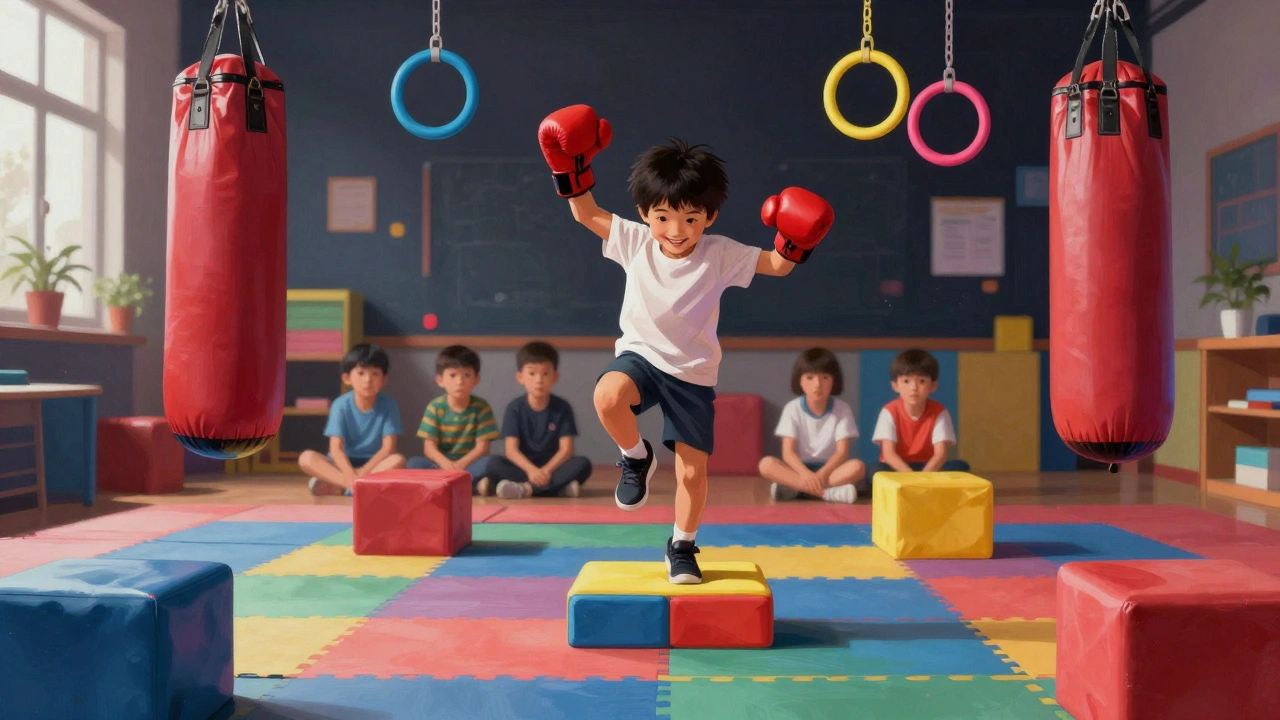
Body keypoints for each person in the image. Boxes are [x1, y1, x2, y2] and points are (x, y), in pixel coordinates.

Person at [538, 104, 835, 583]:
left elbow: (777, 266)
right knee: (607, 396)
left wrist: (798, 236)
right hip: (640, 356)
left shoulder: (721, 254)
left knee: (693, 474)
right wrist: (564, 165)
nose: (676, 232)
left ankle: (682, 545)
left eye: (691, 219)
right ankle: (636, 456)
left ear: (710, 216)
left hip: (692, 374)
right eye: (662, 217)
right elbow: (584, 211)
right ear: (644, 213)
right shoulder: (634, 240)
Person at [489, 341, 593, 499]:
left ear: (555, 377)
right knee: (493, 464)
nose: (539, 380)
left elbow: (566, 450)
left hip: (553, 467)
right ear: (520, 377)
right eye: (532, 373)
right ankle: (558, 488)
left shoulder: (562, 407)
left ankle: (525, 489)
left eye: (545, 373)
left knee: (582, 464)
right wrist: (532, 471)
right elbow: (511, 450)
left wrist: (546, 471)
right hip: (524, 468)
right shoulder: (514, 408)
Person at [758, 348, 864, 503]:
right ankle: (827, 494)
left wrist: (822, 474)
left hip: (829, 471)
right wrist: (805, 474)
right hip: (799, 470)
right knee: (766, 464)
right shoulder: (792, 408)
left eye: (825, 377)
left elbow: (842, 452)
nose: (817, 384)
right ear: (800, 381)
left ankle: (795, 489)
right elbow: (788, 452)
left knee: (858, 467)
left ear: (834, 380)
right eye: (810, 377)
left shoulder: (843, 409)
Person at [300, 343, 406, 496]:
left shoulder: (389, 405)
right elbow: (336, 449)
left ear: (384, 379)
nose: (368, 380)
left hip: (374, 464)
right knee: (306, 458)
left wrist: (362, 472)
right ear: (347, 378)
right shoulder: (340, 405)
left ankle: (341, 487)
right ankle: (356, 486)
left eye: (375, 374)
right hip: (342, 464)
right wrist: (350, 475)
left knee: (398, 460)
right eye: (361, 373)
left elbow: (388, 448)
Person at [406, 344, 499, 495]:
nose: (459, 382)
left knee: (491, 463)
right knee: (413, 463)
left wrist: (461, 464)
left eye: (466, 375)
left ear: (476, 379)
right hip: (441, 465)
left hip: (470, 465)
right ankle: (470, 485)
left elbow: (482, 448)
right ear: (440, 380)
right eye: (453, 375)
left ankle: (444, 485)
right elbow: (429, 448)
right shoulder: (435, 407)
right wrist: (446, 464)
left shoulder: (482, 407)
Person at [871, 348, 971, 482]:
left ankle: (923, 486)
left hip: (928, 467)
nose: (914, 388)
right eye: (906, 381)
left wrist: (924, 477)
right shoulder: (889, 411)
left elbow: (940, 454)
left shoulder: (939, 412)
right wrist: (910, 475)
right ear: (895, 386)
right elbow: (889, 454)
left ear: (933, 386)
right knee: (875, 470)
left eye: (922, 381)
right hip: (898, 468)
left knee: (960, 467)